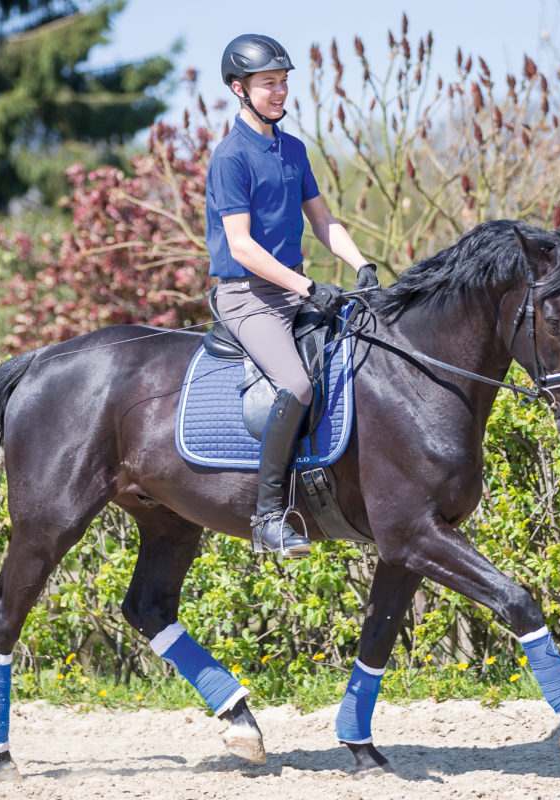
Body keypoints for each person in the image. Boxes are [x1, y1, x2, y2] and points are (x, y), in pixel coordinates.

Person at [208, 33, 378, 558]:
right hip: (248, 297)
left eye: (283, 82)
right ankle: (267, 518)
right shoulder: (231, 158)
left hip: (292, 292)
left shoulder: (294, 148)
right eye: (267, 84)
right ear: (239, 89)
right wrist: (306, 285)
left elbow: (323, 221)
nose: (280, 92)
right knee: (298, 384)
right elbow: (242, 245)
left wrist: (363, 265)